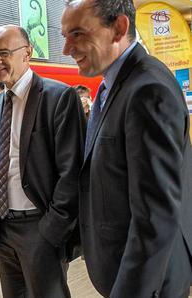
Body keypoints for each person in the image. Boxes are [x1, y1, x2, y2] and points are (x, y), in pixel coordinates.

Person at [62, 1, 192, 297]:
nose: (67, 49)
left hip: (150, 282)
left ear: (119, 28)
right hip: (122, 267)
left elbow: (155, 216)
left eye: (78, 34)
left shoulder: (148, 90)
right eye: (65, 36)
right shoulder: (116, 85)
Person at [0, 25, 86, 298]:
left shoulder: (59, 97)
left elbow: (71, 171)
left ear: (27, 53)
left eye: (4, 53)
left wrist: (52, 228)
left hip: (40, 226)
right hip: (3, 227)